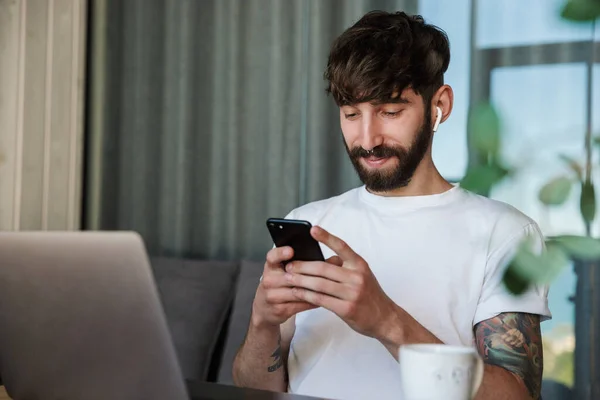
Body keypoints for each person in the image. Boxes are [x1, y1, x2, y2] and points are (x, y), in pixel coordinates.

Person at [232, 10, 551, 400]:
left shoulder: (506, 234)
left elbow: (517, 397)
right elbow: (252, 390)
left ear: (440, 105)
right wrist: (262, 323)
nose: (367, 139)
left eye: (390, 112)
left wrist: (386, 320)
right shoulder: (309, 221)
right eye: (351, 115)